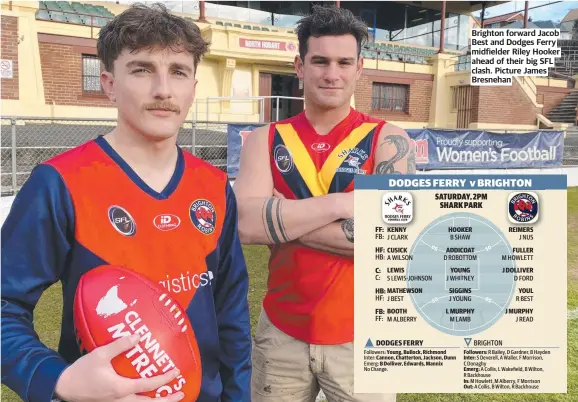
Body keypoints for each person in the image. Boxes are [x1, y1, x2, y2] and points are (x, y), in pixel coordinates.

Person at [1, 3, 251, 402]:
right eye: (141, 69)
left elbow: (232, 317)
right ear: (109, 83)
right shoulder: (61, 183)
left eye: (178, 72)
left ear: (192, 88)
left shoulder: (215, 186)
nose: (163, 90)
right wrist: (57, 380)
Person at [233, 5, 415, 402]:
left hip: (363, 337)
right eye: (320, 61)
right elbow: (246, 224)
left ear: (359, 67)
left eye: (343, 62)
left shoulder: (388, 139)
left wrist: (283, 220)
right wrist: (341, 204)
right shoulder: (266, 138)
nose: (332, 73)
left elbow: (392, 242)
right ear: (300, 66)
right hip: (281, 333)